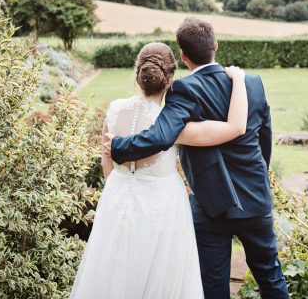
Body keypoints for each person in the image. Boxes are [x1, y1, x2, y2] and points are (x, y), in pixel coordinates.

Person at [106, 17, 290, 299]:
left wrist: (117, 146)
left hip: (210, 205)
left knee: (213, 287)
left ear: (183, 55)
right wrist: (258, 175)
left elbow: (160, 136)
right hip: (255, 198)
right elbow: (264, 136)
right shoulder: (252, 83)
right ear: (215, 45)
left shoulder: (184, 89)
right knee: (271, 277)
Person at [70, 42, 249, 299]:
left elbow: (106, 165)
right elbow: (233, 128)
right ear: (170, 79)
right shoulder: (172, 124)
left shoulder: (115, 109)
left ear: (137, 72)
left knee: (113, 273)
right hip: (163, 210)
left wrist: (125, 188)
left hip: (116, 200)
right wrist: (239, 80)